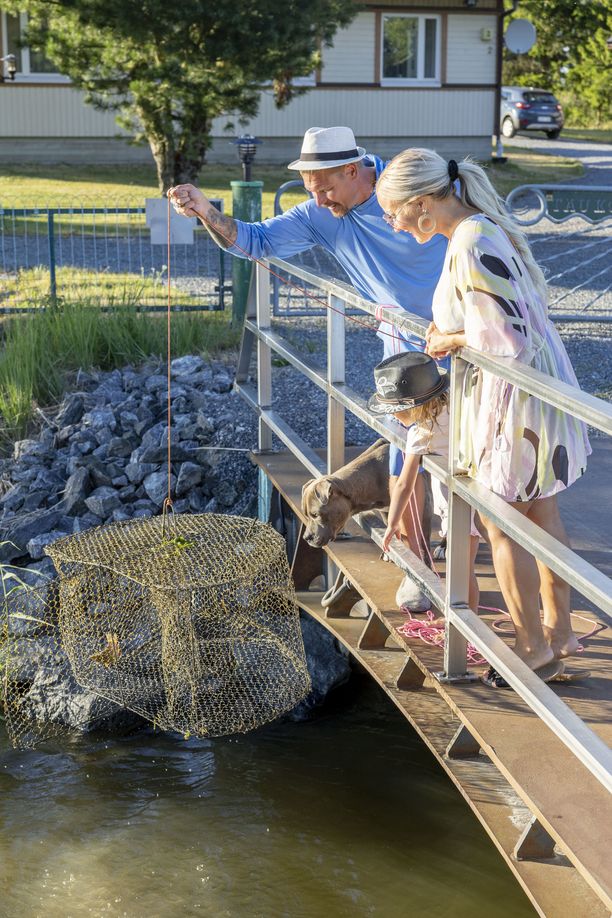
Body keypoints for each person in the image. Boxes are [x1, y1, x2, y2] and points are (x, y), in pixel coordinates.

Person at [169, 126, 448, 610]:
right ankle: (417, 570)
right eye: (310, 189)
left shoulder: (407, 185)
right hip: (404, 350)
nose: (318, 199)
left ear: (353, 169)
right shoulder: (321, 212)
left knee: (470, 458)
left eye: (325, 188)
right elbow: (254, 242)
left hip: (463, 336)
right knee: (409, 459)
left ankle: (462, 545)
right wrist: (205, 212)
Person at [375, 148, 591, 686]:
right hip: (534, 394)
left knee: (500, 522)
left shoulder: (469, 242)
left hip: (513, 402)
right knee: (543, 516)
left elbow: (504, 337)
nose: (392, 223)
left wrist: (448, 337)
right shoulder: (479, 230)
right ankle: (558, 633)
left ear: (423, 204)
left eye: (394, 211)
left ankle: (533, 646)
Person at [368, 351, 480, 614]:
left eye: (396, 411)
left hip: (456, 504)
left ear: (412, 407)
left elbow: (405, 484)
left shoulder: (420, 433)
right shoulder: (457, 404)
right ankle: (464, 627)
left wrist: (392, 523)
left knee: (460, 574)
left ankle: (464, 632)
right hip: (474, 491)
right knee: (465, 569)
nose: (394, 417)